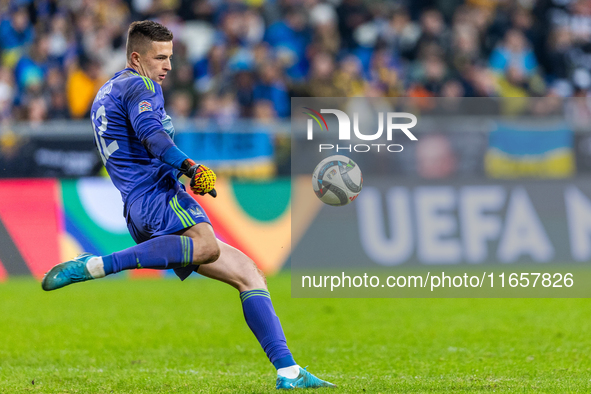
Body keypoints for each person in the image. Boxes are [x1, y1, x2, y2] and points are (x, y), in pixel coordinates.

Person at [41, 20, 334, 390]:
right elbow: (153, 139)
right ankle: (98, 265)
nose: (167, 66)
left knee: (247, 273)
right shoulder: (141, 85)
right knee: (209, 246)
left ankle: (289, 372)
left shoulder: (108, 90)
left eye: (170, 57)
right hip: (156, 194)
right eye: (160, 57)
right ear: (136, 57)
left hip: (138, 200)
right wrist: (190, 166)